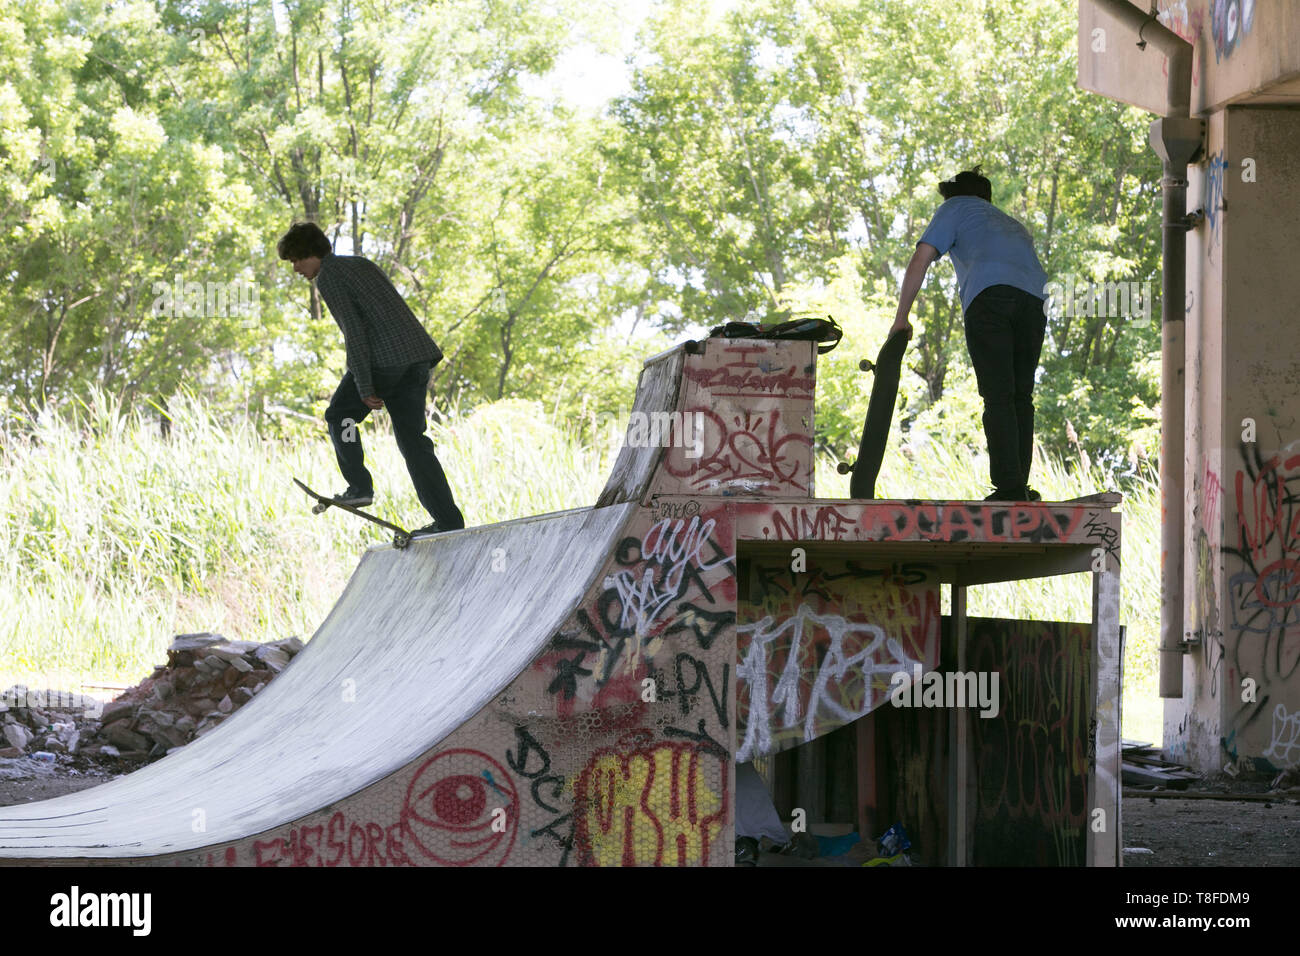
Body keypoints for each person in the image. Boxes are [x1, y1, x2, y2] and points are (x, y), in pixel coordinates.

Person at [278, 221, 465, 535]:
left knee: (340, 415)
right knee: (413, 444)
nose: (296, 269)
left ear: (312, 254)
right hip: (416, 358)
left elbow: (355, 332)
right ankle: (448, 520)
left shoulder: (330, 277)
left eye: (297, 260)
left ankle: (358, 486)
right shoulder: (360, 264)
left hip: (385, 361)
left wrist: (364, 385)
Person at [890, 165, 1049, 502]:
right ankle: (1020, 486)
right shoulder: (1011, 223)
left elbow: (922, 257)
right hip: (1035, 302)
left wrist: (900, 318)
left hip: (991, 298)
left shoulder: (955, 207)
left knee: (998, 396)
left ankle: (1009, 489)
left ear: (955, 194)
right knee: (1021, 397)